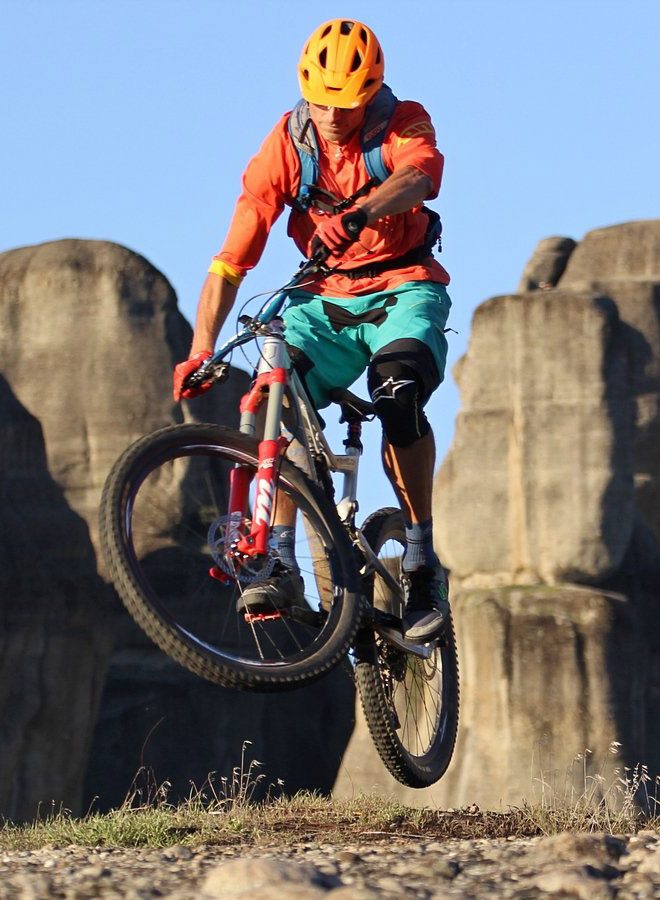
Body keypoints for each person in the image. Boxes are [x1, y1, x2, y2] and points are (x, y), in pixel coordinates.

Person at [172, 18, 451, 642]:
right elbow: (230, 262)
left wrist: (360, 212)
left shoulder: (402, 120)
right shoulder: (288, 143)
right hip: (322, 298)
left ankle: (421, 559)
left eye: (346, 104)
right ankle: (275, 554)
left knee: (399, 395)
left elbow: (421, 177)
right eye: (322, 101)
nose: (331, 115)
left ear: (371, 90)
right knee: (273, 393)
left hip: (404, 286)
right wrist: (200, 348)